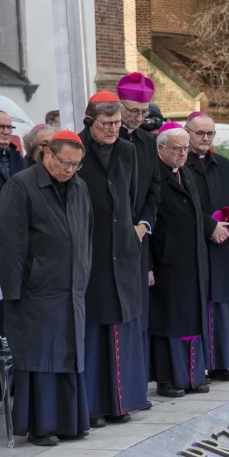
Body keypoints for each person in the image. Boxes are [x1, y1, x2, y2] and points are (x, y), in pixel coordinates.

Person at [0, 131, 93, 446]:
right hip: (35, 291)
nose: (69, 171)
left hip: (71, 287)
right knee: (41, 358)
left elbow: (86, 233)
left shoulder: (79, 186)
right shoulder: (21, 186)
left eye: (76, 165)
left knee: (69, 354)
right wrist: (14, 294)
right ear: (47, 154)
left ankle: (72, 422)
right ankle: (42, 426)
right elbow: (10, 244)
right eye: (65, 163)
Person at [79, 91, 152, 421]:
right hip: (89, 248)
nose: (113, 129)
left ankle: (120, 403)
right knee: (94, 327)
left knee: (121, 325)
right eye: (107, 123)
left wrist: (134, 229)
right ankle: (93, 405)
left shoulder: (127, 150)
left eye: (118, 123)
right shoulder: (75, 148)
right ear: (90, 121)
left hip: (121, 248)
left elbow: (132, 195)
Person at [147, 124, 214, 395]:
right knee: (169, 320)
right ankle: (168, 379)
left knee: (192, 318)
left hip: (193, 260)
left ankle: (193, 376)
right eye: (177, 149)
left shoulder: (186, 174)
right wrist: (149, 265)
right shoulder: (153, 176)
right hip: (167, 261)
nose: (183, 154)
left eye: (186, 148)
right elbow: (148, 223)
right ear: (161, 148)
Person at [187, 114, 229, 380]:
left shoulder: (225, 165)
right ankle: (194, 365)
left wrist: (228, 226)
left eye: (209, 134)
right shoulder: (179, 166)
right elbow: (181, 207)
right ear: (187, 132)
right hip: (194, 245)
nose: (205, 138)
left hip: (222, 246)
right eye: (200, 133)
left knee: (221, 304)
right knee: (196, 303)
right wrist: (208, 227)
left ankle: (221, 363)